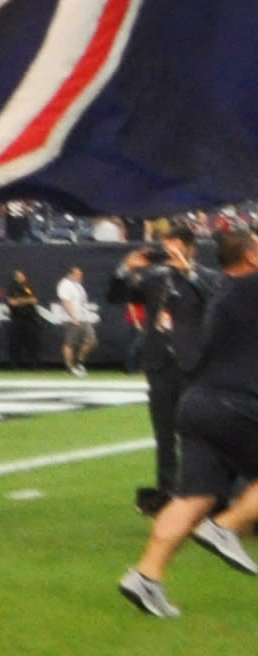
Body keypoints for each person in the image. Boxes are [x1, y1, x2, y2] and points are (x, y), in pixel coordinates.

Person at [122, 222, 258, 615]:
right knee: (212, 506)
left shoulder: (220, 292)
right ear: (250, 256)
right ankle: (228, 526)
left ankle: (146, 576)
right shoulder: (249, 288)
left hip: (197, 405)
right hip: (234, 403)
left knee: (193, 498)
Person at [122, 226, 203, 511]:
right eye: (167, 246)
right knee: (164, 435)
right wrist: (128, 270)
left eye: (177, 246)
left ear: (191, 247)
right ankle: (168, 493)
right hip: (159, 363)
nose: (170, 252)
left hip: (191, 366)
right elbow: (117, 294)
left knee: (196, 435)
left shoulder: (204, 277)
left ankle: (200, 495)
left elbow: (213, 298)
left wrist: (189, 272)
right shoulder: (154, 279)